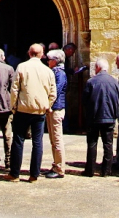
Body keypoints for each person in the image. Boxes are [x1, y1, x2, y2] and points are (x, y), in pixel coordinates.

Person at [7, 43, 57, 182]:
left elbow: (14, 89)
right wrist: (47, 106)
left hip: (23, 109)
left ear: (29, 53)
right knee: (37, 142)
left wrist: (14, 107)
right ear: (42, 54)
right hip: (39, 111)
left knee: (18, 140)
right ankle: (34, 175)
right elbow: (53, 93)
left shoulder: (22, 67)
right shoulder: (48, 71)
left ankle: (15, 174)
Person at [82, 57, 119, 177]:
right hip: (109, 116)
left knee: (92, 143)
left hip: (94, 117)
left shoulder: (91, 82)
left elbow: (85, 100)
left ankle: (90, 170)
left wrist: (87, 114)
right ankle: (106, 171)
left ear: (98, 68)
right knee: (108, 144)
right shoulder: (114, 81)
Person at [44, 49, 67, 179]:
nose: (47, 62)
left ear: (55, 61)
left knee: (57, 140)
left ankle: (59, 168)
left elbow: (55, 91)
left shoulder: (60, 74)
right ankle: (56, 165)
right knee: (53, 140)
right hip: (53, 108)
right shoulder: (55, 72)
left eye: (49, 59)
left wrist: (47, 104)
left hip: (56, 109)